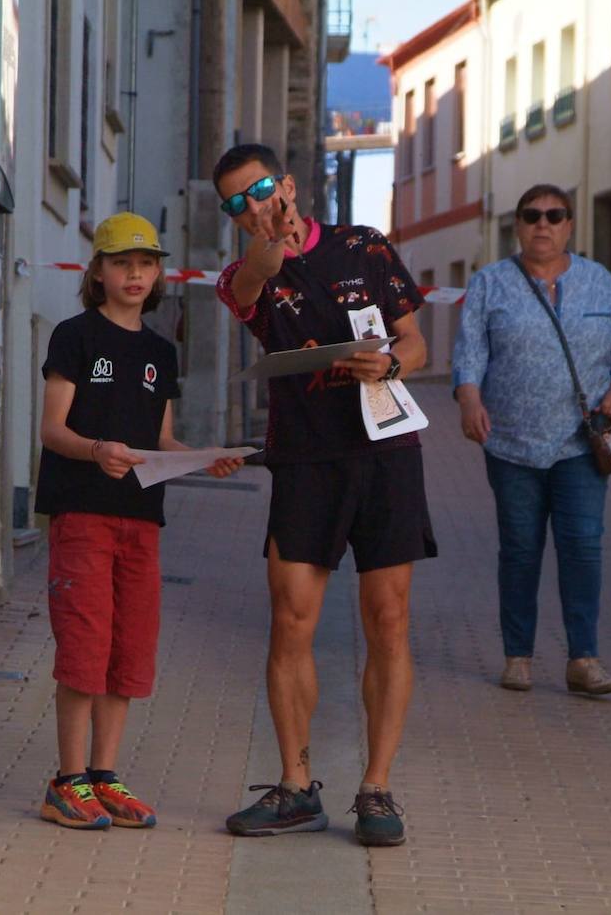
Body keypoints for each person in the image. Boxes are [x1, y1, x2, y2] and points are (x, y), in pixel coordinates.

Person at [212, 144, 437, 847]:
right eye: (236, 202)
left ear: (291, 182)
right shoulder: (243, 274)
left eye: (263, 189)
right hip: (305, 460)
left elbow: (416, 343)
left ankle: (376, 788)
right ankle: (295, 785)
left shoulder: (363, 247)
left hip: (385, 453)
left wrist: (393, 361)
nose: (254, 205)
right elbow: (255, 281)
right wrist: (266, 245)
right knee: (291, 621)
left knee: (389, 619)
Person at [34, 211, 245, 830]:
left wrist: (207, 460)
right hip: (82, 515)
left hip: (140, 522)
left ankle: (105, 777)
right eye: (122, 262)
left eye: (146, 263)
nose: (135, 273)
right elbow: (52, 428)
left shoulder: (160, 350)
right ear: (97, 271)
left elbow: (162, 440)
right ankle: (66, 782)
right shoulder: (74, 336)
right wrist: (96, 450)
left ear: (158, 275)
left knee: (129, 649)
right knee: (85, 643)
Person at [451, 183, 611, 696]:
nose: (543, 224)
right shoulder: (489, 283)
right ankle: (518, 656)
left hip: (580, 444)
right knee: (520, 549)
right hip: (511, 443)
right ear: (517, 225)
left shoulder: (599, 281)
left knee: (582, 546)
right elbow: (469, 351)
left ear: (569, 225)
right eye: (532, 215)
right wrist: (469, 400)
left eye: (555, 215)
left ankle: (583, 658)